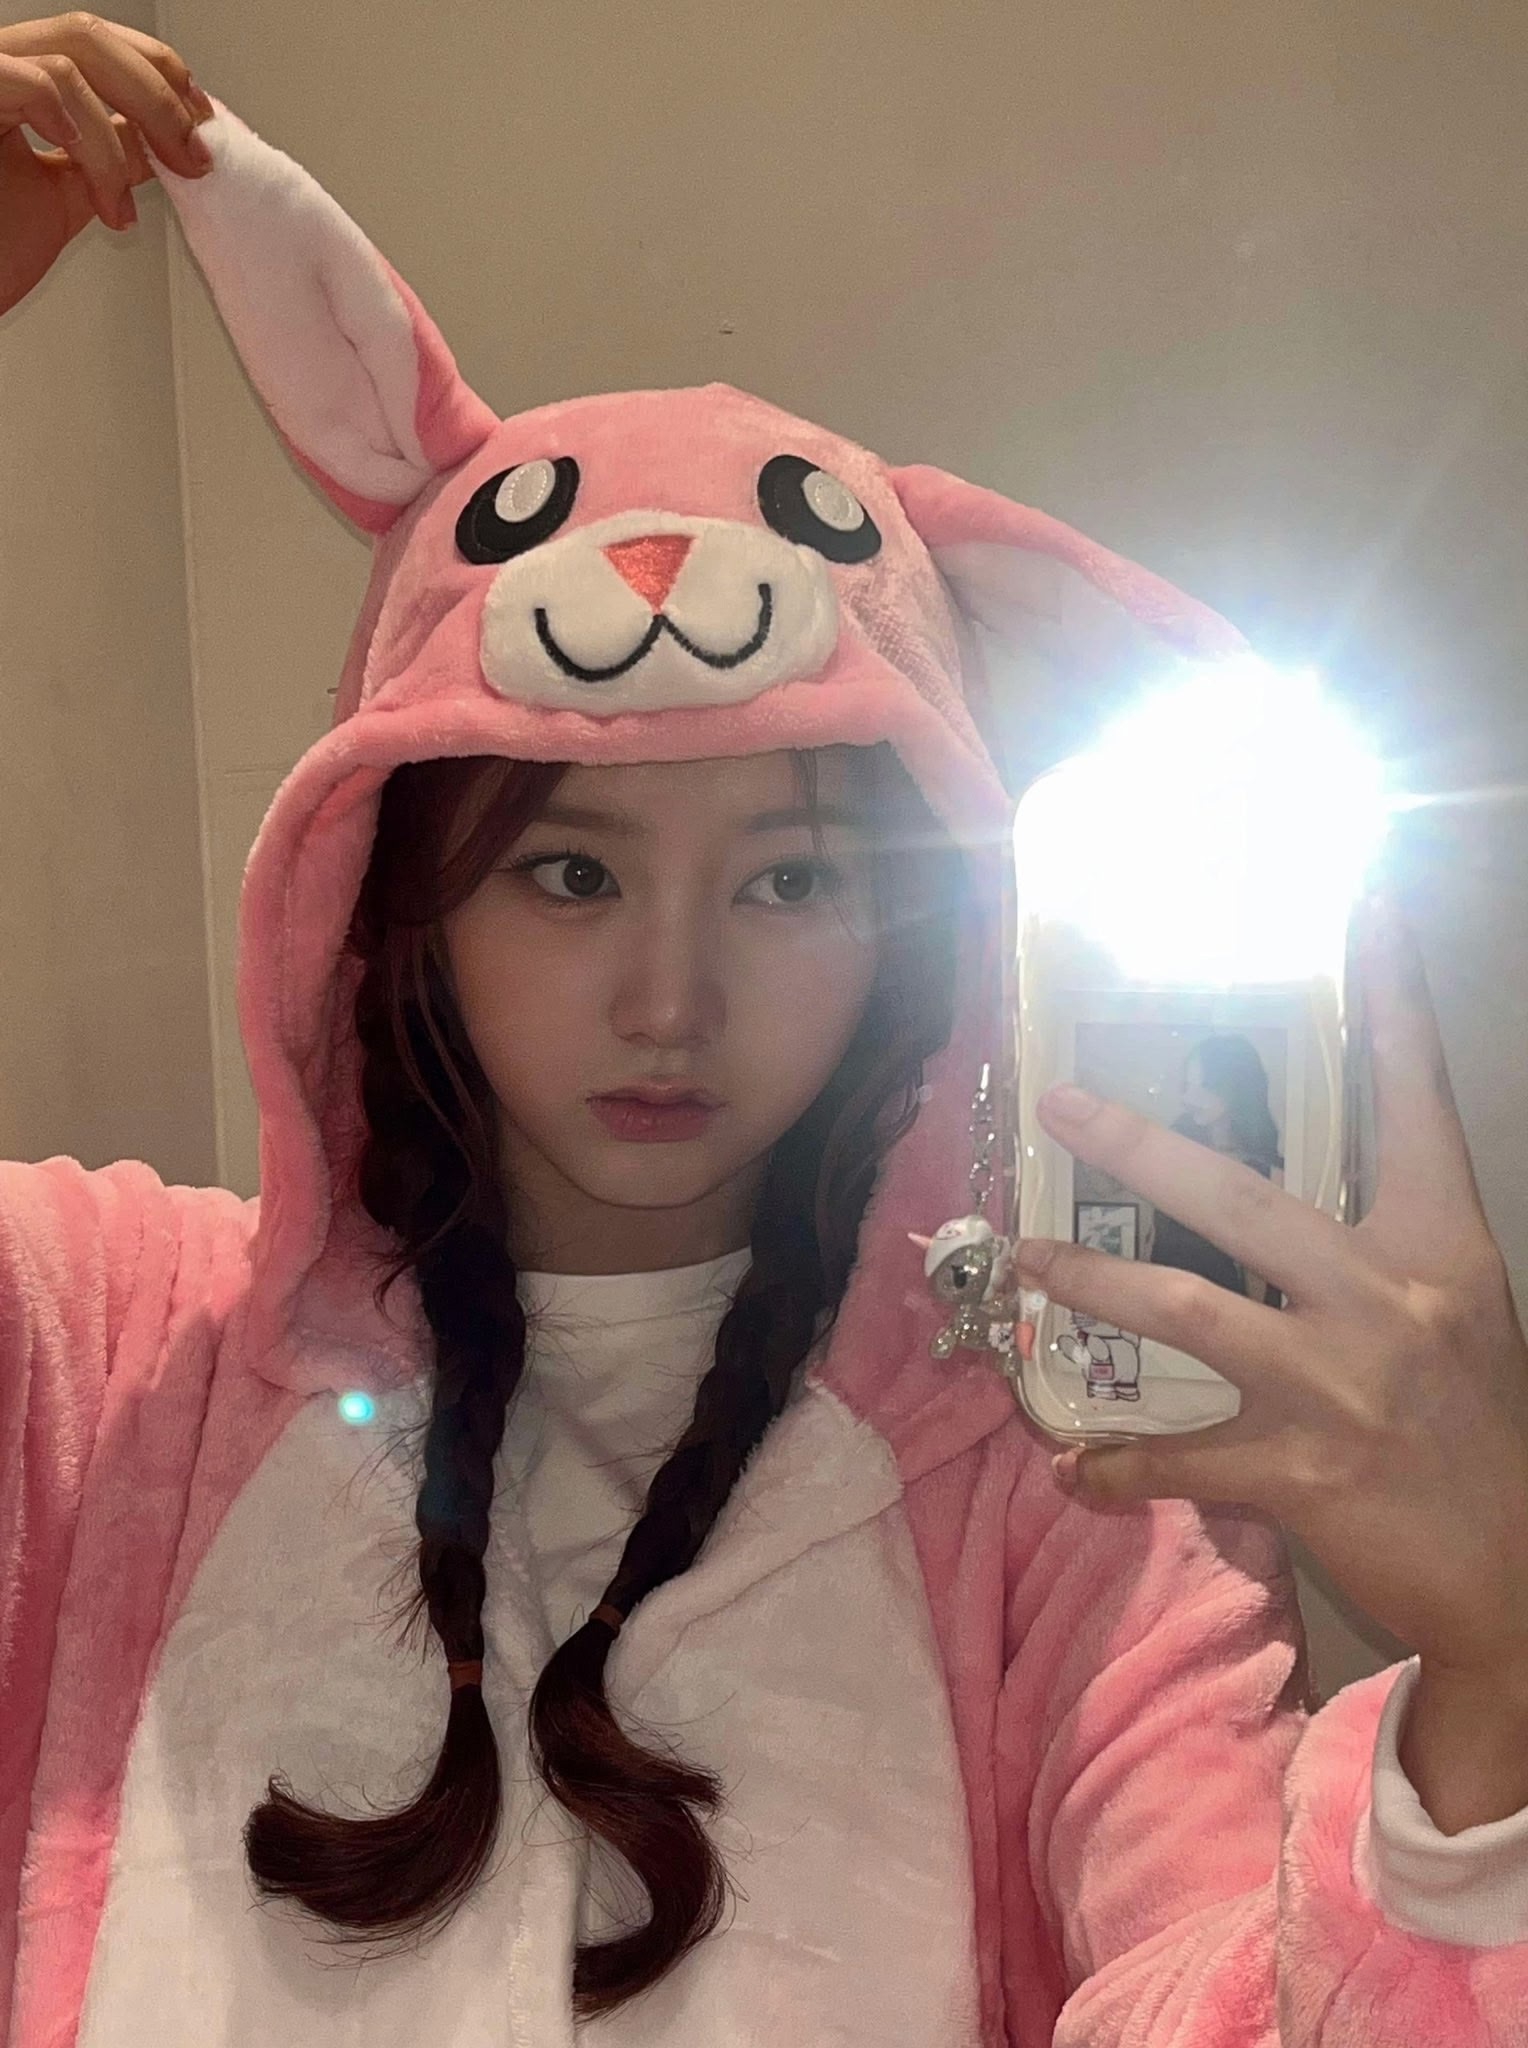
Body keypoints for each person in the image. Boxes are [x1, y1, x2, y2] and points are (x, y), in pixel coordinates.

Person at [6, 21, 1528, 2044]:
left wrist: (1497, 1702)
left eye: (790, 879)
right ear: (394, 897)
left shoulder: (1058, 1493)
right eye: (567, 871)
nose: (671, 998)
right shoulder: (111, 1351)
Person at [1150, 1035, 1285, 1302]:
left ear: (1236, 1087)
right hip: (1163, 1302)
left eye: (1204, 1086)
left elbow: (1259, 1265)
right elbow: (1153, 1235)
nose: (1189, 1098)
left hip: (1224, 1307)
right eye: (1188, 1086)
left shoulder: (1268, 1174)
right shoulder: (1174, 1151)